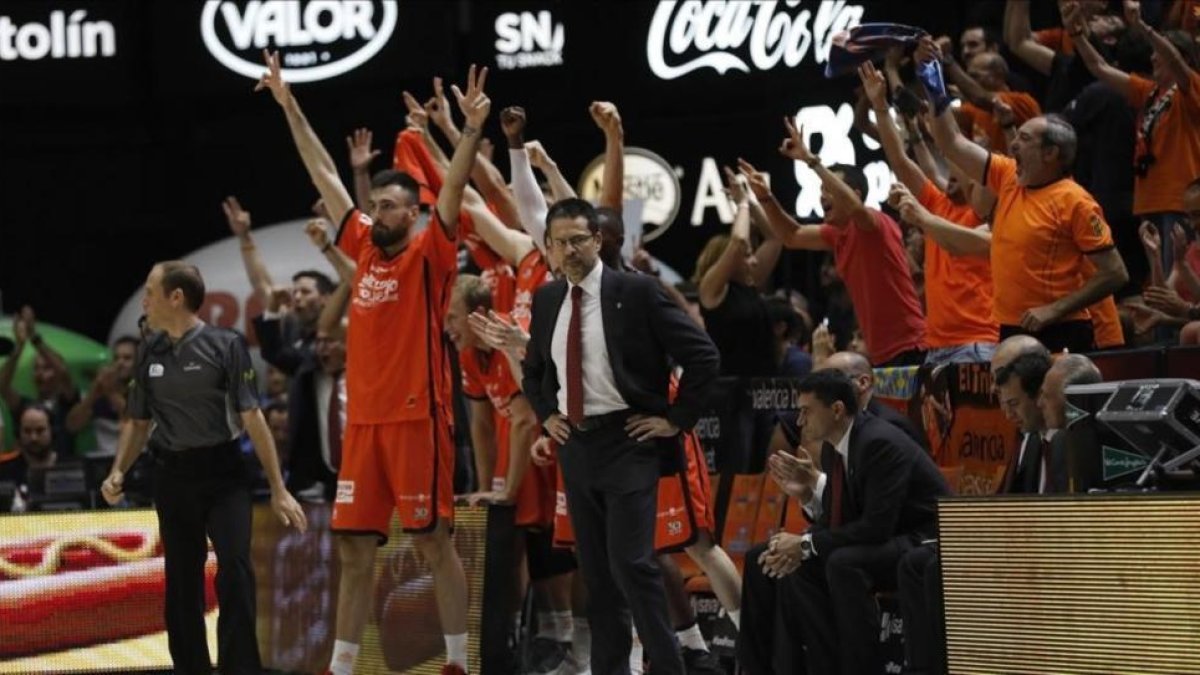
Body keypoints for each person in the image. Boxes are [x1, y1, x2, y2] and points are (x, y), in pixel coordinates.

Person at [258, 51, 489, 675]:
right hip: (364, 428)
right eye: (377, 207)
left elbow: (455, 192)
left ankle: (458, 663)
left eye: (391, 207)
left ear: (411, 215)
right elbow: (326, 173)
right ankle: (340, 667)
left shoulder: (430, 257)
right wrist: (289, 104)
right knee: (355, 551)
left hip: (418, 420)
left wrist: (468, 132)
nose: (379, 214)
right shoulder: (361, 247)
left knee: (432, 542)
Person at [521, 198, 721, 675]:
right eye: (559, 242)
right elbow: (534, 373)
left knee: (633, 564)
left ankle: (669, 667)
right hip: (577, 444)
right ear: (547, 247)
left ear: (598, 240)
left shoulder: (636, 291)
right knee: (597, 574)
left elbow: (703, 355)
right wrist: (548, 414)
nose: (569, 250)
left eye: (578, 240)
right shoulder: (547, 299)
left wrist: (675, 418)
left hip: (630, 440)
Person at [100, 261, 306, 674]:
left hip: (224, 473)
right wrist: (118, 470)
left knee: (235, 568)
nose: (145, 300)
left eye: (150, 291)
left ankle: (239, 667)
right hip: (173, 476)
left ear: (176, 297)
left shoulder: (225, 344)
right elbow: (138, 423)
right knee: (181, 581)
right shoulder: (149, 351)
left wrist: (278, 488)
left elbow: (253, 417)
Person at [919, 36, 1130, 353]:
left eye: (1025, 139)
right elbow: (951, 143)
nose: (1013, 144)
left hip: (1063, 329)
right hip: (1012, 329)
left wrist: (1055, 309)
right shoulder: (1007, 175)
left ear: (1050, 153)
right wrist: (932, 77)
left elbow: (1115, 273)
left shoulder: (1076, 200)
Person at [739, 370, 948, 675]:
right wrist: (798, 538)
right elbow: (839, 518)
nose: (799, 422)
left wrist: (806, 544)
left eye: (806, 411)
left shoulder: (878, 442)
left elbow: (876, 526)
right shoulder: (833, 447)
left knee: (842, 562)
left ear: (836, 410)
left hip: (922, 540)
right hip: (887, 538)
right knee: (763, 557)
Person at [746, 117, 927, 367]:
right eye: (820, 191)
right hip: (879, 353)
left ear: (855, 194)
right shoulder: (835, 233)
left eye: (828, 190)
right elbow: (792, 236)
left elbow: (855, 209)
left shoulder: (874, 222)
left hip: (910, 346)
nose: (822, 197)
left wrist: (811, 161)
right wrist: (766, 198)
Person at [858, 61, 999, 365]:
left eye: (956, 170)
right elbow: (899, 161)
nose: (946, 176)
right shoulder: (938, 203)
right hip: (936, 347)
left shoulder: (986, 214)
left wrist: (939, 133)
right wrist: (880, 107)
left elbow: (958, 155)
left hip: (979, 343)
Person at [0, 306, 80, 456]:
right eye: (37, 368)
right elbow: (3, 386)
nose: (41, 374)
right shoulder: (25, 406)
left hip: (61, 471)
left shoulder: (66, 403)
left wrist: (34, 338)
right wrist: (19, 347)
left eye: (47, 368)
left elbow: (63, 372)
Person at [66, 335, 139, 456]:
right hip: (103, 462)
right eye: (116, 358)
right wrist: (94, 390)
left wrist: (110, 392)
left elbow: (134, 422)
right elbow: (72, 425)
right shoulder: (100, 395)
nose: (120, 363)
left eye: (127, 358)